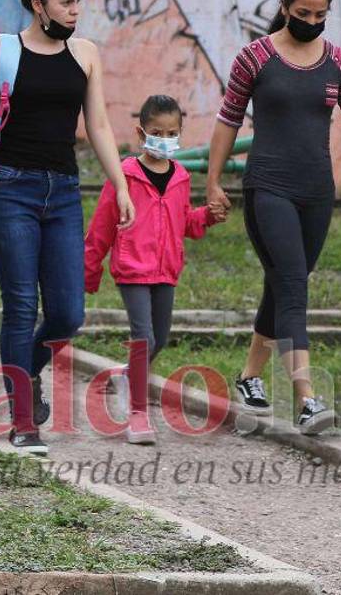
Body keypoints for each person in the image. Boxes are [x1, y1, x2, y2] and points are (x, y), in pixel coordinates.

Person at [0, 0, 134, 456]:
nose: (75, 11)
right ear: (37, 5)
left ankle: (27, 372)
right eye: (66, 3)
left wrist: (122, 185)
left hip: (63, 193)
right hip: (11, 191)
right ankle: (23, 420)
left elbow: (100, 126)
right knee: (21, 305)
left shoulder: (86, 54)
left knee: (68, 313)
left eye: (78, 3)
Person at [207, 0, 341, 434]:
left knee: (284, 284)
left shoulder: (337, 61)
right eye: (303, 13)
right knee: (294, 284)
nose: (312, 21)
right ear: (284, 8)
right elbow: (228, 120)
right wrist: (214, 182)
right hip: (268, 188)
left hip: (317, 192)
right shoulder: (255, 58)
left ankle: (249, 376)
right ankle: (307, 400)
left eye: (321, 15)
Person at [83, 94, 226, 444]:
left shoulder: (180, 176)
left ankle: (125, 377)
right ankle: (137, 414)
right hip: (132, 269)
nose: (165, 138)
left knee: (159, 338)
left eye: (172, 132)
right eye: (157, 132)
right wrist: (88, 270)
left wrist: (207, 215)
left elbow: (184, 223)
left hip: (166, 271)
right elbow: (102, 226)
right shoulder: (125, 176)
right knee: (143, 337)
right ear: (141, 132)